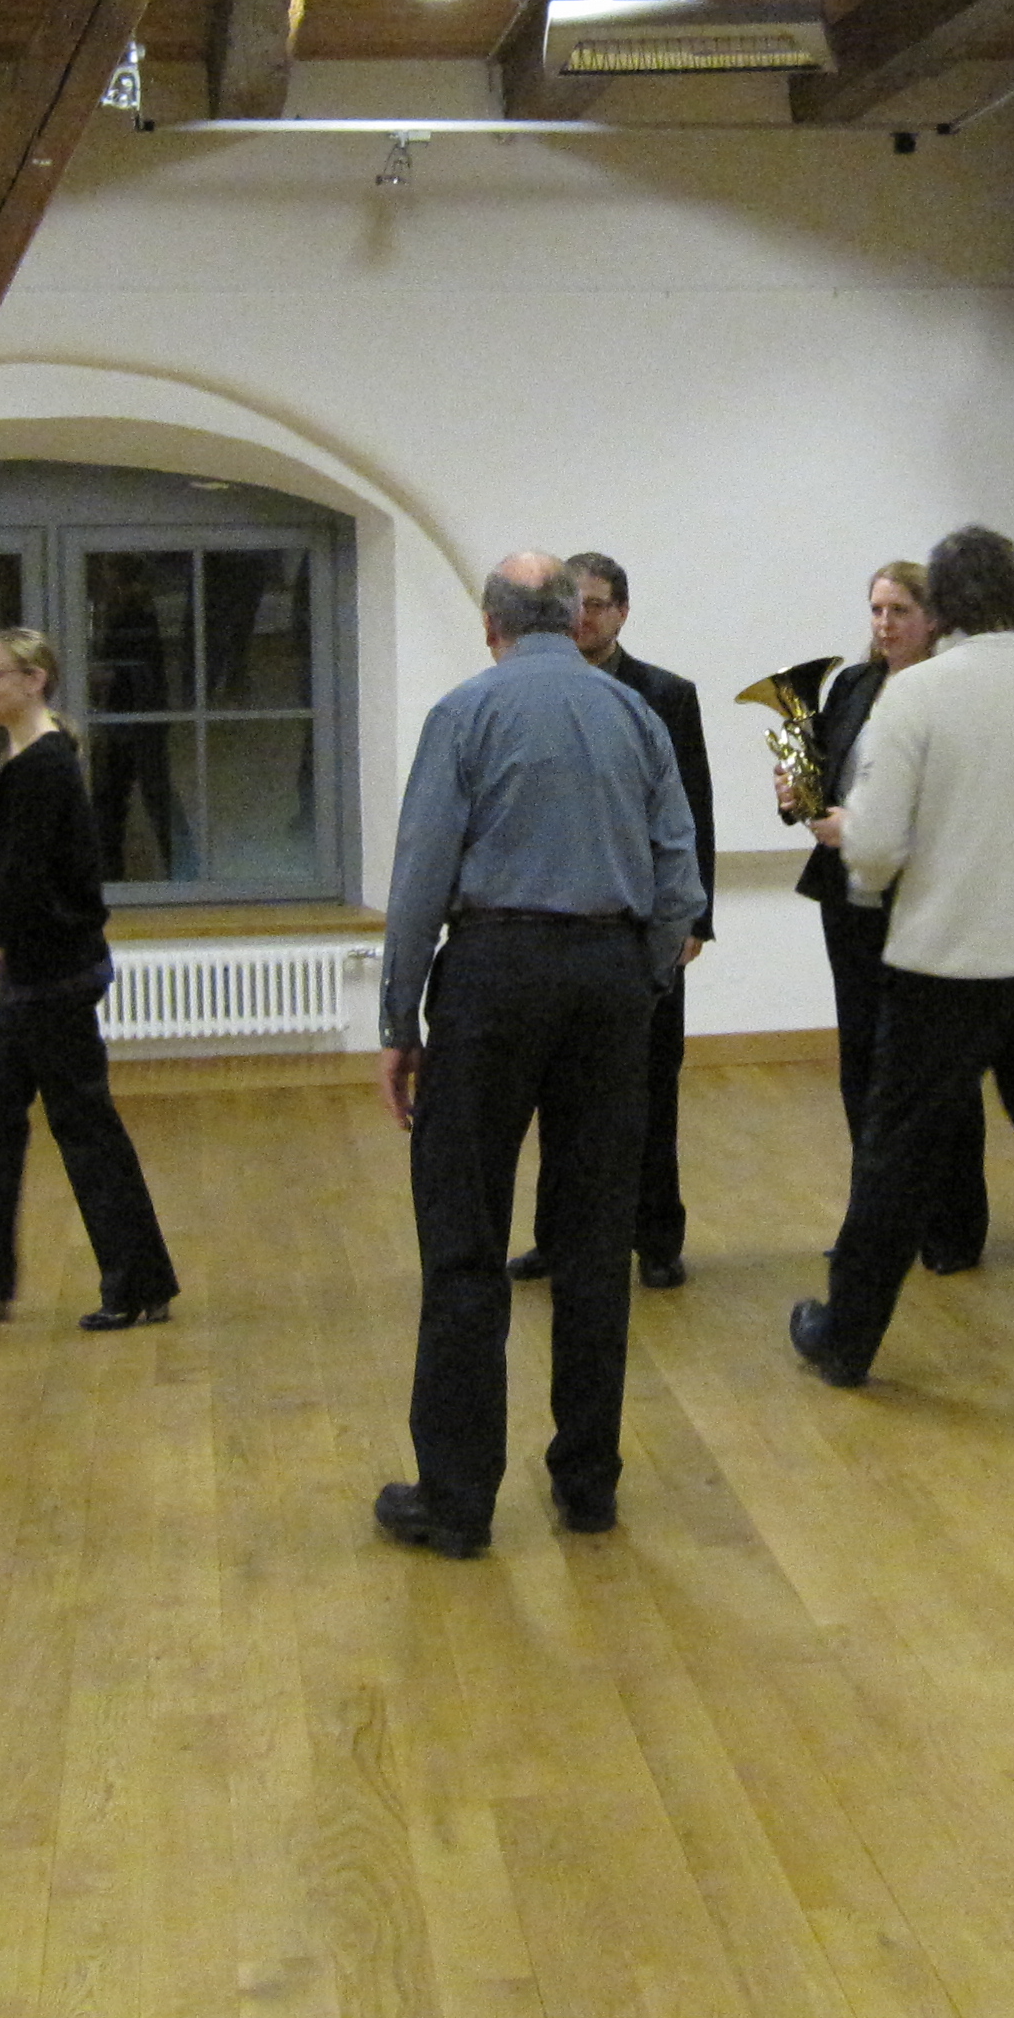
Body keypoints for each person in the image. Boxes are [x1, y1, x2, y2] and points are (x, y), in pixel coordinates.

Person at [373, 553, 703, 1558]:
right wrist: (636, 978)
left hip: (495, 975)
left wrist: (399, 1022)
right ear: (573, 617)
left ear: (493, 627)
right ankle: (588, 1486)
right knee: (596, 1241)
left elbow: (421, 876)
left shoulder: (465, 713)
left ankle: (458, 1500)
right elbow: (679, 879)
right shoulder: (634, 715)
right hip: (609, 980)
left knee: (464, 1235)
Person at [788, 525, 1014, 1418]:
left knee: (895, 1159)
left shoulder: (918, 695)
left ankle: (847, 1341)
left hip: (946, 964)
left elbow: (874, 850)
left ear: (940, 608)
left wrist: (861, 847)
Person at [0, 628, 183, 1332]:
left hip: (54, 979)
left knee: (82, 1124)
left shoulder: (43, 765)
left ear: (34, 679)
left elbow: (31, 887)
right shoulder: (26, 760)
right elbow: (27, 866)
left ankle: (138, 1284)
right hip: (40, 976)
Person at [511, 549, 715, 1289]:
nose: (584, 618)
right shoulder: (532, 691)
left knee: (653, 1087)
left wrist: (695, 921)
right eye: (574, 604)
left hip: (648, 923)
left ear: (623, 612)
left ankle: (656, 1239)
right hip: (563, 921)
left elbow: (693, 812)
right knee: (557, 1091)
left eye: (597, 604)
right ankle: (556, 1237)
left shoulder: (668, 695)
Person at [789, 559, 987, 1271]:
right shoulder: (854, 685)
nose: (884, 624)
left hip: (924, 896)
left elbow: (958, 801)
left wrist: (864, 825)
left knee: (936, 1065)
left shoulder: (954, 694)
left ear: (933, 621)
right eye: (876, 610)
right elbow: (829, 775)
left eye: (899, 610)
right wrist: (798, 794)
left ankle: (953, 1224)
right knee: (863, 1063)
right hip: (851, 896)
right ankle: (874, 1220)